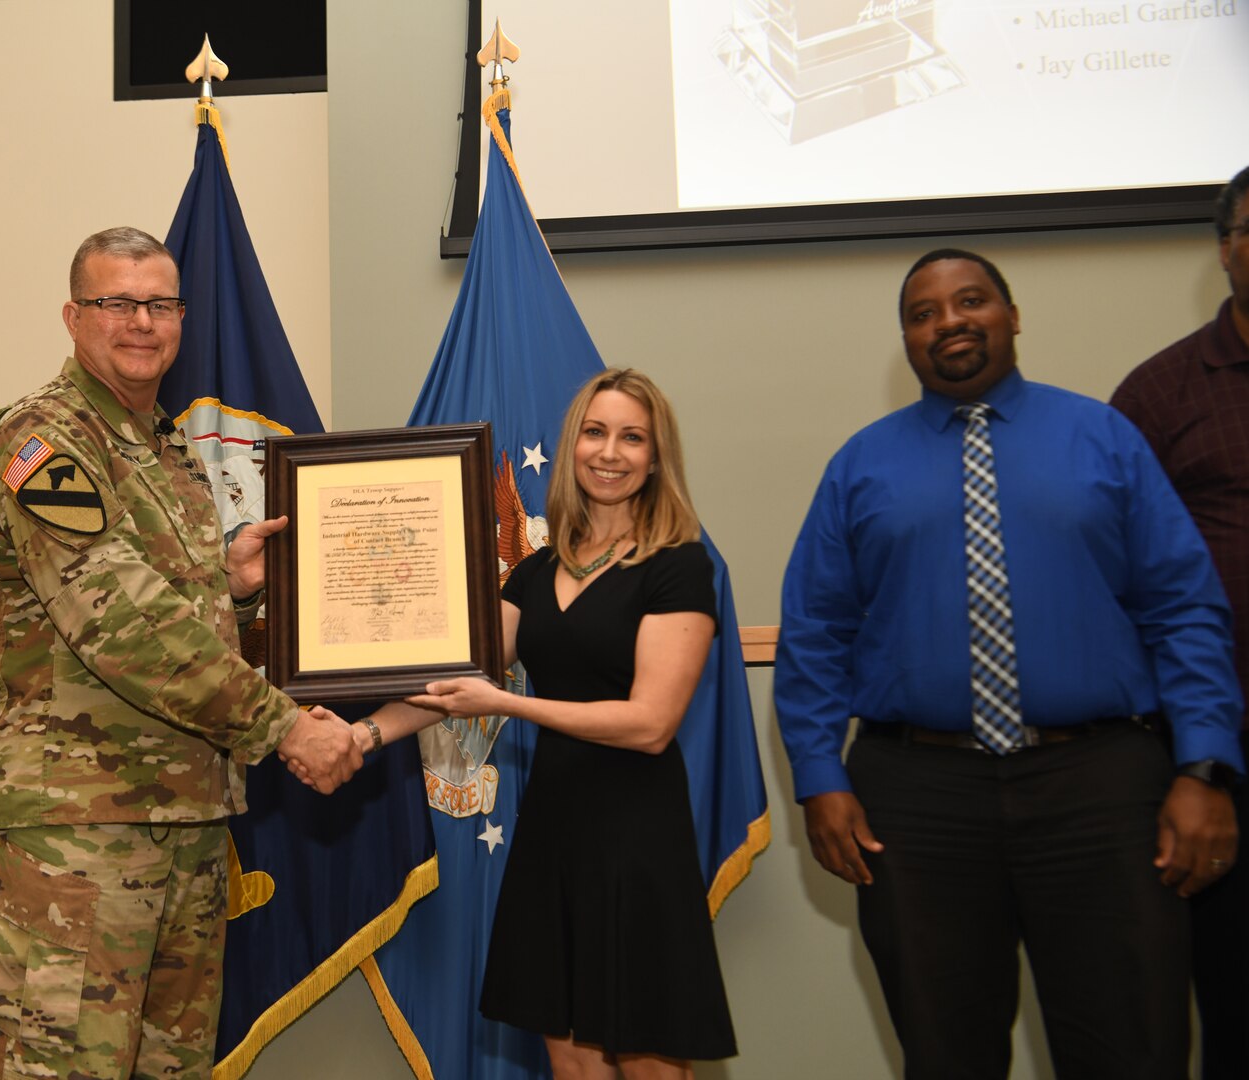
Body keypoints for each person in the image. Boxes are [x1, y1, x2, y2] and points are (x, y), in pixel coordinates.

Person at [774, 248, 1244, 1080]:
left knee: (1132, 1046)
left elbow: (1184, 609)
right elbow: (815, 632)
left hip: (1101, 787)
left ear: (1013, 314)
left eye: (971, 300)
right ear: (907, 341)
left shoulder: (1105, 438)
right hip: (916, 802)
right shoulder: (860, 465)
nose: (948, 321)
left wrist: (1205, 765)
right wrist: (819, 776)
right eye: (922, 314)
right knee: (946, 1050)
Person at [0, 227, 362, 1080]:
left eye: (160, 303)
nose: (141, 321)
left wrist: (233, 584)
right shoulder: (41, 440)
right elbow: (122, 622)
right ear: (73, 316)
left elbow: (164, 608)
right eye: (116, 302)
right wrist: (285, 729)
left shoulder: (167, 451)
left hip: (184, 822)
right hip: (75, 836)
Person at [405, 368, 736, 1079]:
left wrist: (509, 704)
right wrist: (360, 731)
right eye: (595, 431)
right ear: (570, 444)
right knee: (570, 1054)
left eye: (632, 437)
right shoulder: (537, 570)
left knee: (647, 1053)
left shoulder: (678, 565)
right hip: (553, 826)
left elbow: (650, 724)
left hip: (639, 835)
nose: (609, 452)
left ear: (656, 457)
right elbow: (454, 677)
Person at [1111, 165, 1249, 1080]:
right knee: (1233, 1005)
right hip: (1223, 760)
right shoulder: (1160, 396)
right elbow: (1118, 589)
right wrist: (1193, 762)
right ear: (1227, 247)